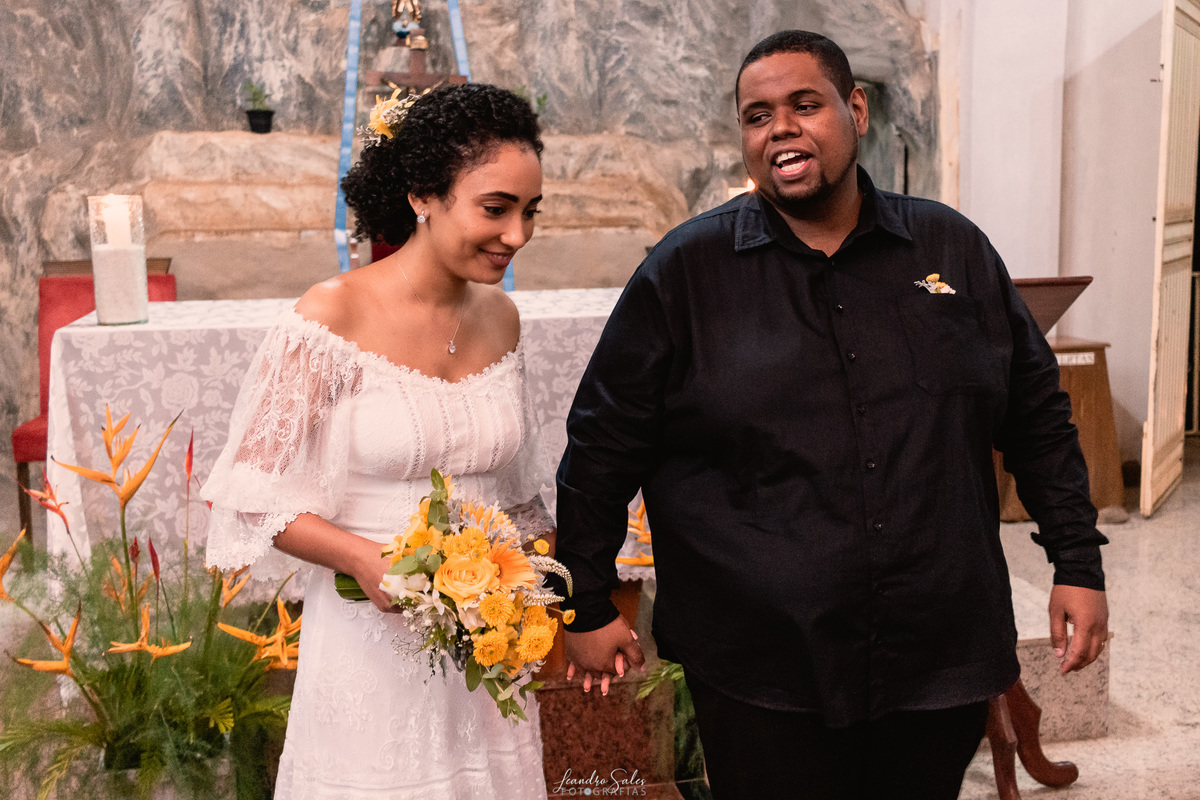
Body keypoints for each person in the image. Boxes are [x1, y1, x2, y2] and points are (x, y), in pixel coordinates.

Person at [553, 30, 1109, 800]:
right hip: (760, 662)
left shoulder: (952, 248)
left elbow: (1036, 416)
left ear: (856, 110)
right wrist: (581, 601)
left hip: (934, 646)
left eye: (804, 105)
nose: (780, 127)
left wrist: (1077, 562)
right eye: (757, 116)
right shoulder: (687, 272)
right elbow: (604, 441)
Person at [202, 83, 551, 800]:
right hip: (369, 647)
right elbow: (248, 494)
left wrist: (528, 594)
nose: (516, 235)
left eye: (529, 212)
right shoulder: (334, 313)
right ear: (425, 194)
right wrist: (363, 559)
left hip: (485, 653)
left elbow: (518, 500)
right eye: (495, 208)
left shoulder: (503, 319)